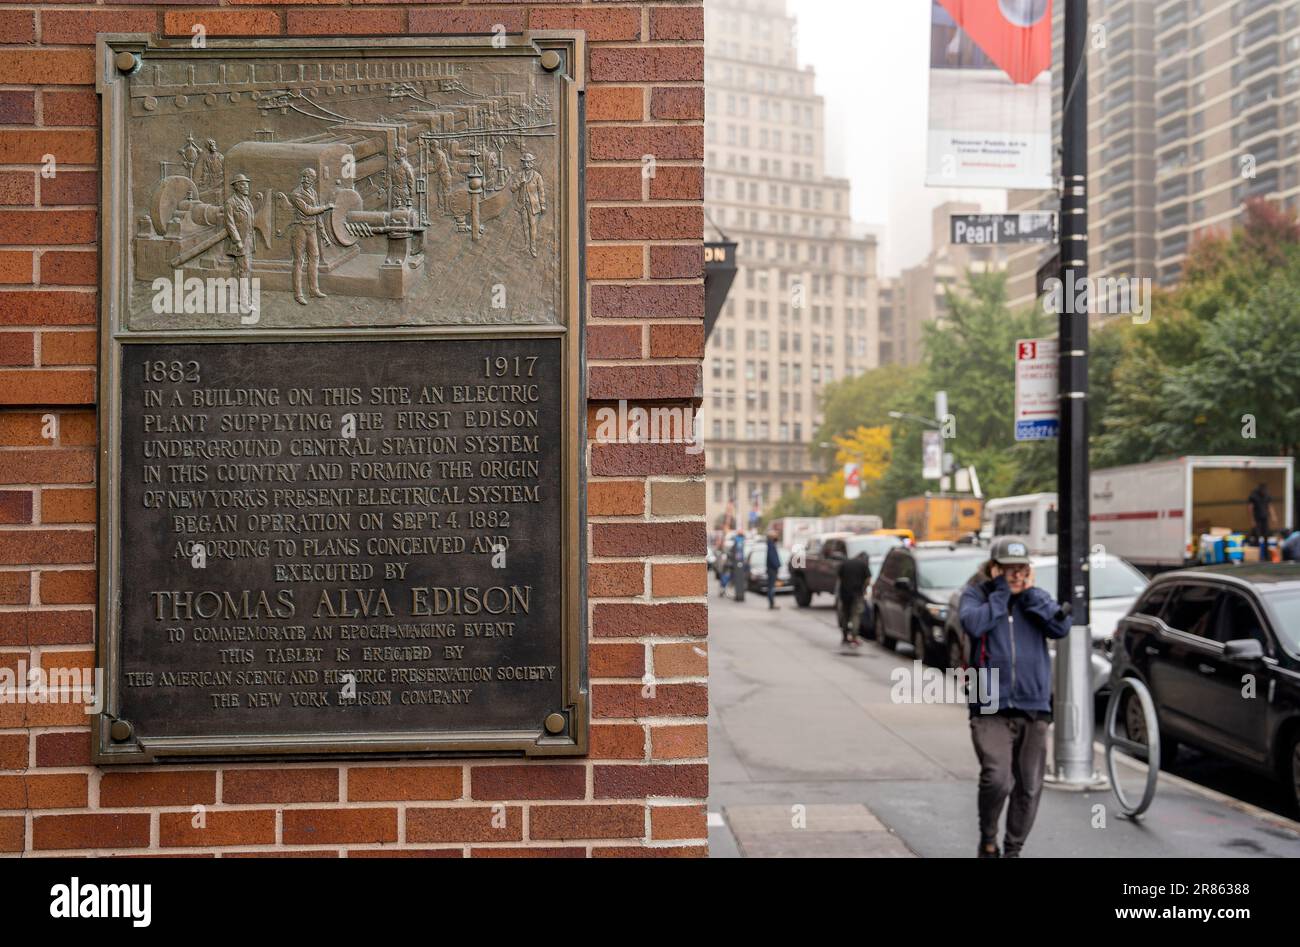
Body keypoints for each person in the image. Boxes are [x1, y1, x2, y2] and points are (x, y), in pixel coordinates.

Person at [959, 536, 1070, 859]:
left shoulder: (1035, 599)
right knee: (997, 778)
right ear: (994, 570)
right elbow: (973, 625)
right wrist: (1000, 594)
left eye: (1022, 569)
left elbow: (1061, 628)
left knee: (1029, 785)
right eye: (1009, 570)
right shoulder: (976, 596)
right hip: (988, 701)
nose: (1017, 576)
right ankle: (988, 837)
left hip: (1033, 704)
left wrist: (1031, 595)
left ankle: (1013, 850)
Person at [286, 168, 334, 305]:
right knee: (298, 261)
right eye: (304, 177)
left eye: (309, 177)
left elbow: (318, 216)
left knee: (315, 258)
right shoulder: (295, 194)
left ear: (313, 180)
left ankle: (314, 290)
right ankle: (298, 294)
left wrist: (323, 234)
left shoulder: (313, 192)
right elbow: (308, 210)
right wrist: (325, 207)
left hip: (312, 230)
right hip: (300, 229)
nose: (306, 179)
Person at [836, 551, 871, 647]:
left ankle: (844, 636)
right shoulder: (863, 565)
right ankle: (854, 638)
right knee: (855, 616)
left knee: (845, 615)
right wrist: (864, 589)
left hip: (844, 594)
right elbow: (868, 580)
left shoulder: (845, 563)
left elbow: (839, 578)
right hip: (857, 594)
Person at [1249, 483, 1274, 557]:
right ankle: (1257, 555)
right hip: (1257, 518)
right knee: (1257, 536)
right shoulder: (1254, 496)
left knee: (1266, 535)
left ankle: (1266, 555)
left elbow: (1270, 506)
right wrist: (1252, 520)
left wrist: (1273, 516)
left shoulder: (1266, 496)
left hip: (1264, 518)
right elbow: (1250, 508)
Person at [764, 530, 782, 610]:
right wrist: (777, 565)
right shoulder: (771, 545)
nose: (777, 536)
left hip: (771, 569)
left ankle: (772, 603)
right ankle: (772, 603)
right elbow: (772, 558)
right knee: (771, 587)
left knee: (771, 586)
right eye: (775, 535)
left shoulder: (771, 544)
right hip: (772, 570)